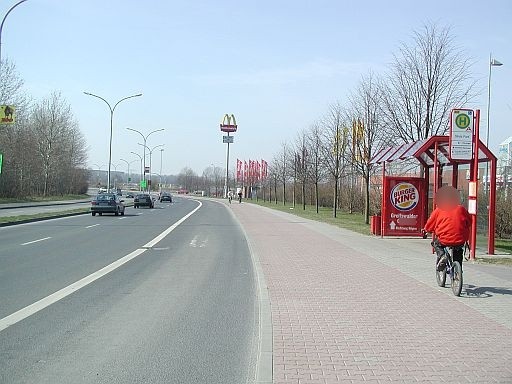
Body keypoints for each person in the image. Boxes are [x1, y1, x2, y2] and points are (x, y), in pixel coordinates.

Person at [423, 186, 471, 271]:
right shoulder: (461, 209)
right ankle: (458, 271)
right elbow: (470, 221)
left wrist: (427, 230)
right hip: (460, 238)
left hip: (444, 239)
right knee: (458, 250)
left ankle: (442, 256)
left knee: (436, 244)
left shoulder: (439, 210)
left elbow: (430, 222)